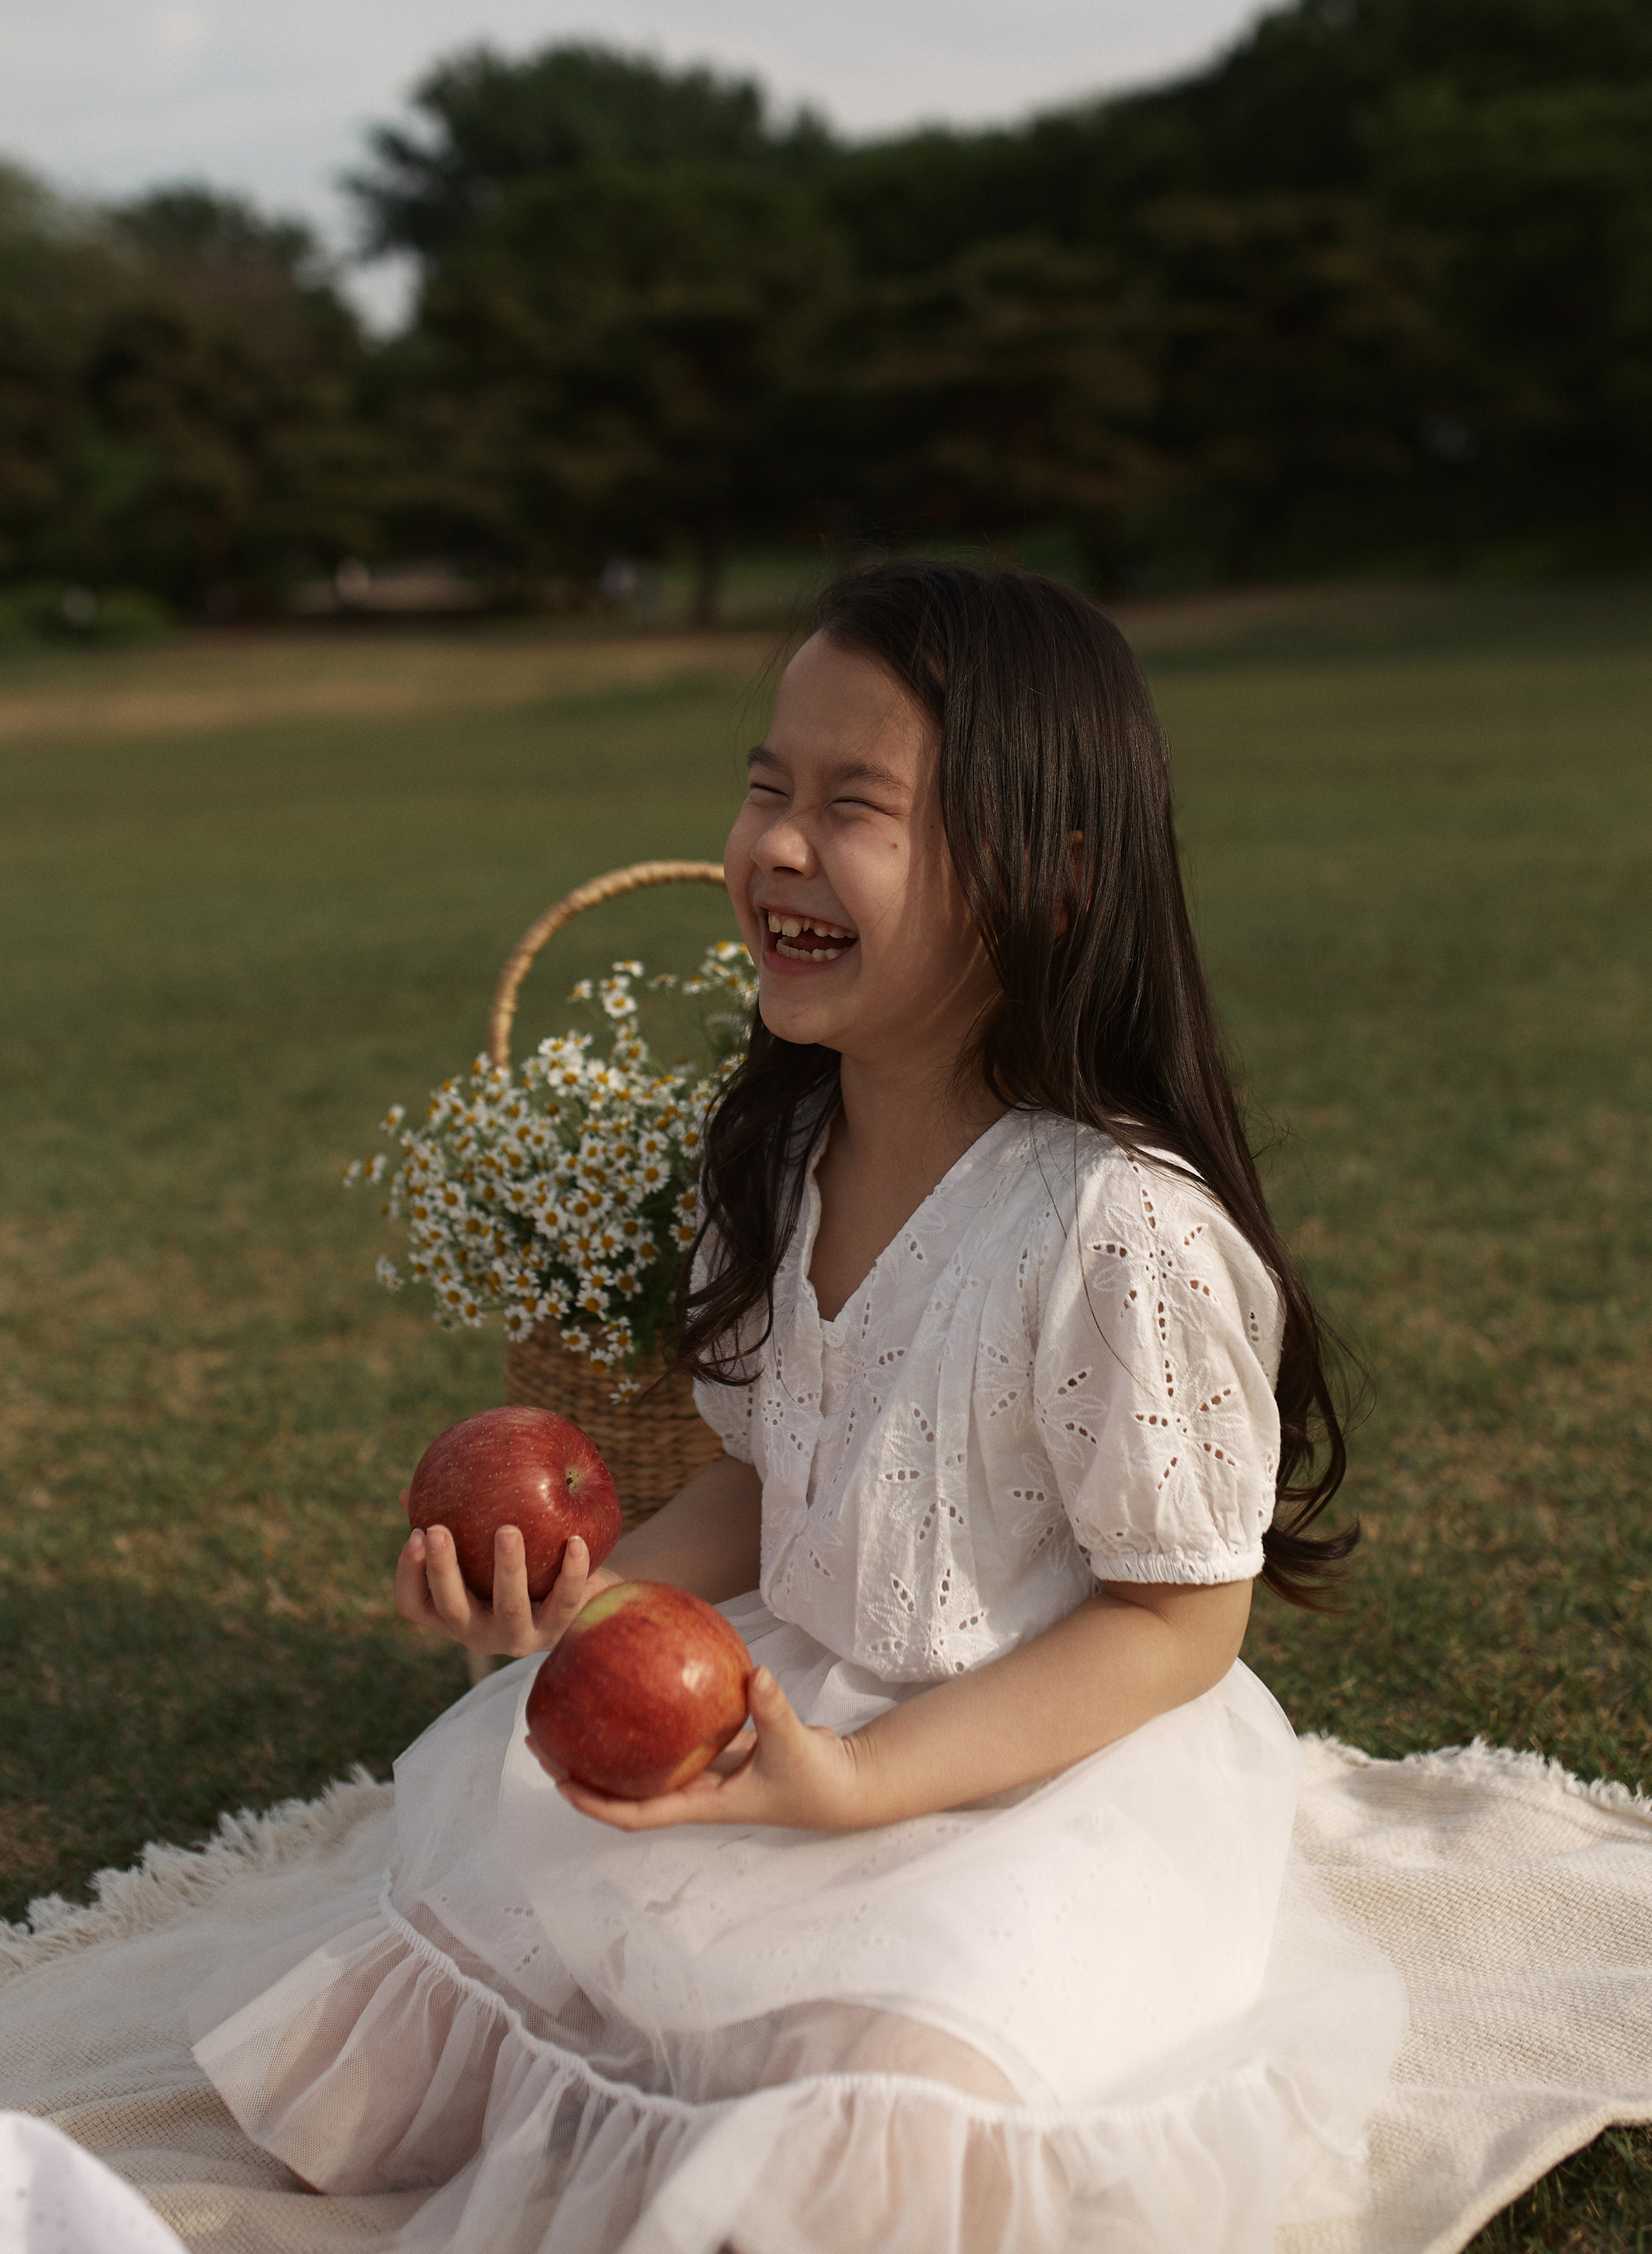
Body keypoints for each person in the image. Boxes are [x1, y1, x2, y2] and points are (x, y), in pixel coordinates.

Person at [187, 562, 1403, 2254]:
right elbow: (770, 1487)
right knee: (435, 2034)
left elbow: (1180, 1623)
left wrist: (866, 1782)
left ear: (1048, 883)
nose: (772, 844)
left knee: (886, 2114)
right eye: (766, 785)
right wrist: (581, 1607)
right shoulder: (775, 1152)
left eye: (854, 807)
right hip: (783, 1704)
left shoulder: (1113, 1229)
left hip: (1034, 1774)